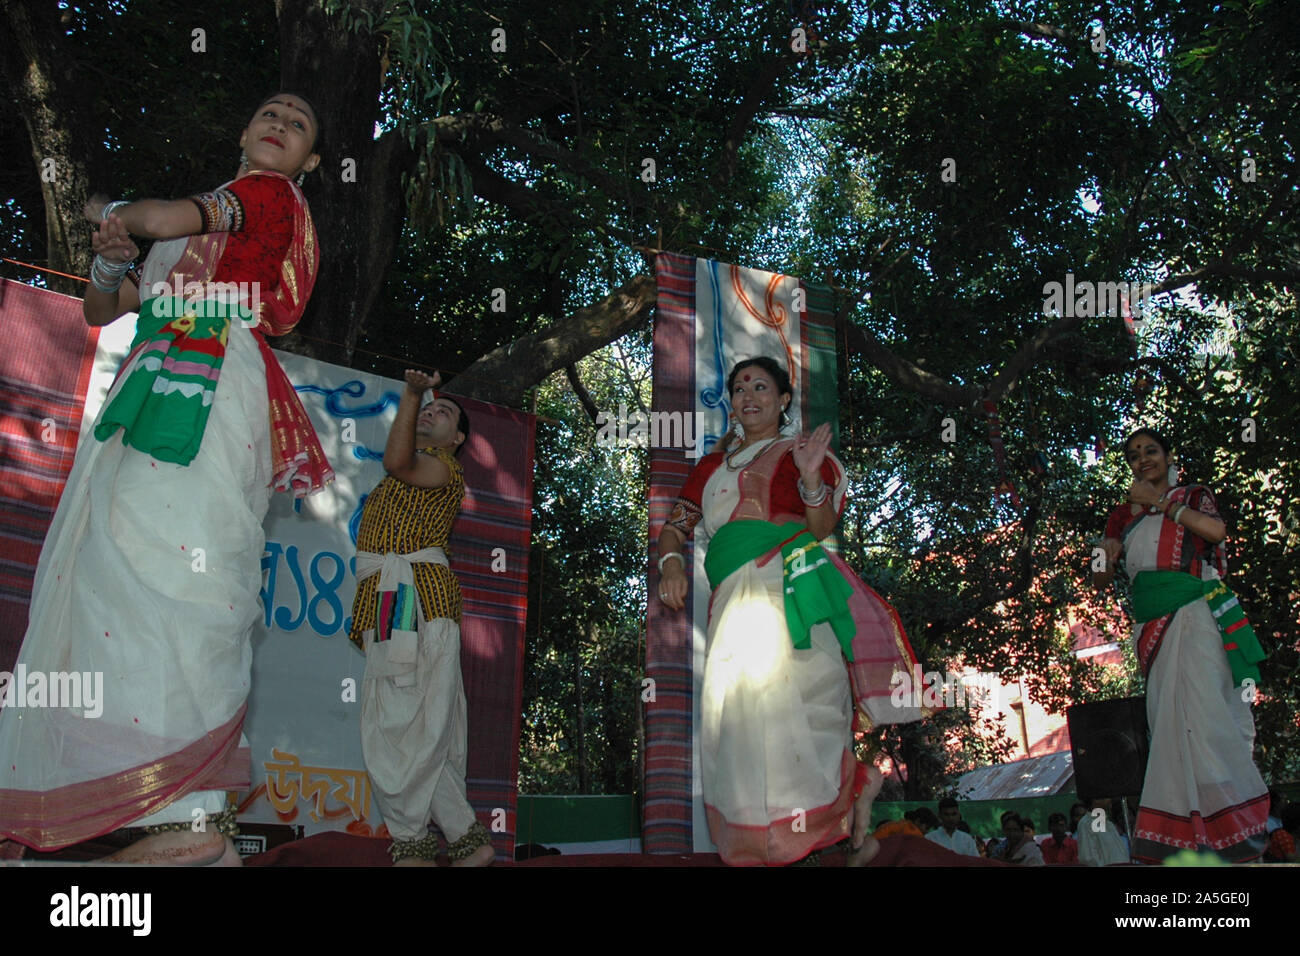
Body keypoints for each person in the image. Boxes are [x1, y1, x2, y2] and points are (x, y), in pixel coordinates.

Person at [0, 93, 332, 864]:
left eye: (300, 122)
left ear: (309, 162)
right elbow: (101, 305)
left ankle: (193, 814)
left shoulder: (262, 199)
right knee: (108, 579)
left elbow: (156, 218)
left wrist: (111, 210)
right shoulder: (208, 213)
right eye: (269, 111)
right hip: (148, 385)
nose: (280, 120)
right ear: (243, 129)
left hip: (213, 378)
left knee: (186, 583)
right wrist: (113, 254)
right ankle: (128, 805)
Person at [657, 356, 916, 866]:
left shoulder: (801, 453)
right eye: (738, 389)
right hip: (731, 599)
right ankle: (800, 837)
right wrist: (670, 565)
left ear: (781, 399)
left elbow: (820, 528)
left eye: (760, 387)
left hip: (790, 588)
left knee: (797, 712)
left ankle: (837, 810)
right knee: (736, 723)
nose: (747, 396)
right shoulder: (709, 468)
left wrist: (811, 476)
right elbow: (675, 527)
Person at [1093, 428, 1269, 862]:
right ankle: (1184, 842)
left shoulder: (1192, 496)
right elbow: (1099, 576)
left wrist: (1160, 504)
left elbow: (1216, 531)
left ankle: (1234, 837)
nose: (1142, 459)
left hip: (1194, 619)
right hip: (1151, 632)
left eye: (1150, 450)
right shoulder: (1120, 515)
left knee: (1205, 721)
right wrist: (1102, 554)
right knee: (1168, 727)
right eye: (1133, 455)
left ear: (1168, 456)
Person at [347, 369, 492, 867]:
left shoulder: (441, 468)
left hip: (408, 600)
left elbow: (396, 459)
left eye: (443, 412)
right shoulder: (424, 468)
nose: (432, 411)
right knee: (416, 723)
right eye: (428, 407)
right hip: (402, 600)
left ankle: (412, 844)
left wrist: (411, 395)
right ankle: (466, 839)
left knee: (396, 722)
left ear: (457, 440)